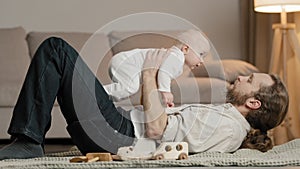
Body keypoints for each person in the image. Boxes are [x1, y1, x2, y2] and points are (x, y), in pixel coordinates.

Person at [0, 37, 288, 160]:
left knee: (56, 50)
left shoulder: (226, 125)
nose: (240, 78)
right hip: (119, 127)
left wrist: (151, 71)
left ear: (254, 103)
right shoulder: (224, 117)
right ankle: (28, 139)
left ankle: (28, 141)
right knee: (59, 57)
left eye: (249, 81)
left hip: (117, 134)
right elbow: (157, 120)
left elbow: (155, 129)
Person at [103, 29, 211, 107]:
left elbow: (156, 78)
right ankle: (98, 92)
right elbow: (164, 74)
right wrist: (166, 91)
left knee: (125, 91)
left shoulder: (173, 58)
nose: (202, 61)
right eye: (201, 54)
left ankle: (102, 99)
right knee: (130, 87)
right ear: (185, 49)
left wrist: (162, 99)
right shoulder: (176, 57)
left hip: (123, 61)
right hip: (125, 62)